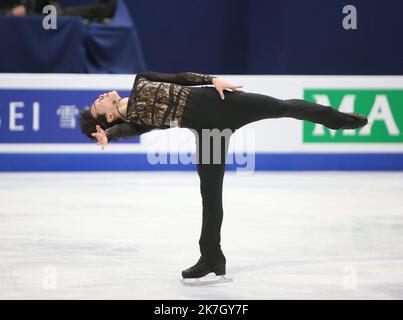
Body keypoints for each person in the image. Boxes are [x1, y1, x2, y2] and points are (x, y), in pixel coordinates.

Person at [79, 71, 368, 283]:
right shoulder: (137, 122)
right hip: (208, 133)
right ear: (108, 119)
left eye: (97, 99)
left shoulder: (141, 80)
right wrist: (112, 135)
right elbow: (131, 131)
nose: (100, 97)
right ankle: (212, 258)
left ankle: (338, 120)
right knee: (210, 196)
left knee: (282, 107)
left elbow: (180, 78)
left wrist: (212, 79)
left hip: (220, 101)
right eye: (97, 105)